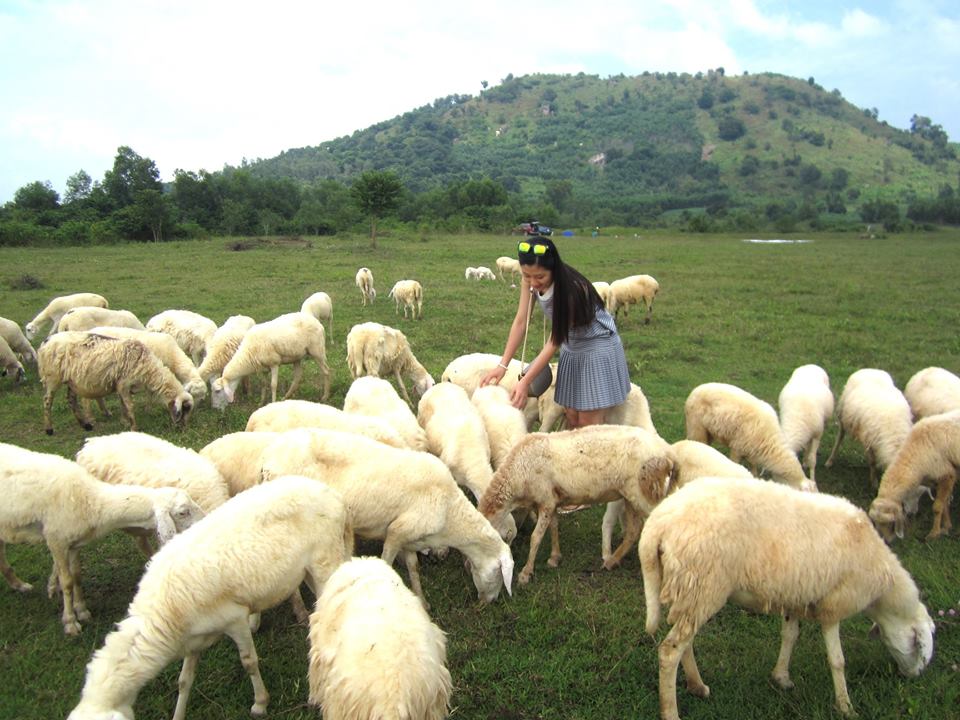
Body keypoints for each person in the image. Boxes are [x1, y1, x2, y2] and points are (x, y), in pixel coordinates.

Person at [480, 236, 630, 428]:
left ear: (554, 270)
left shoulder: (571, 291)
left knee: (588, 423)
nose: (533, 282)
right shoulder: (530, 281)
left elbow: (555, 339)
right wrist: (502, 365)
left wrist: (525, 382)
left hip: (596, 349)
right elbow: (521, 321)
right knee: (572, 416)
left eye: (540, 277)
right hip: (572, 346)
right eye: (527, 276)